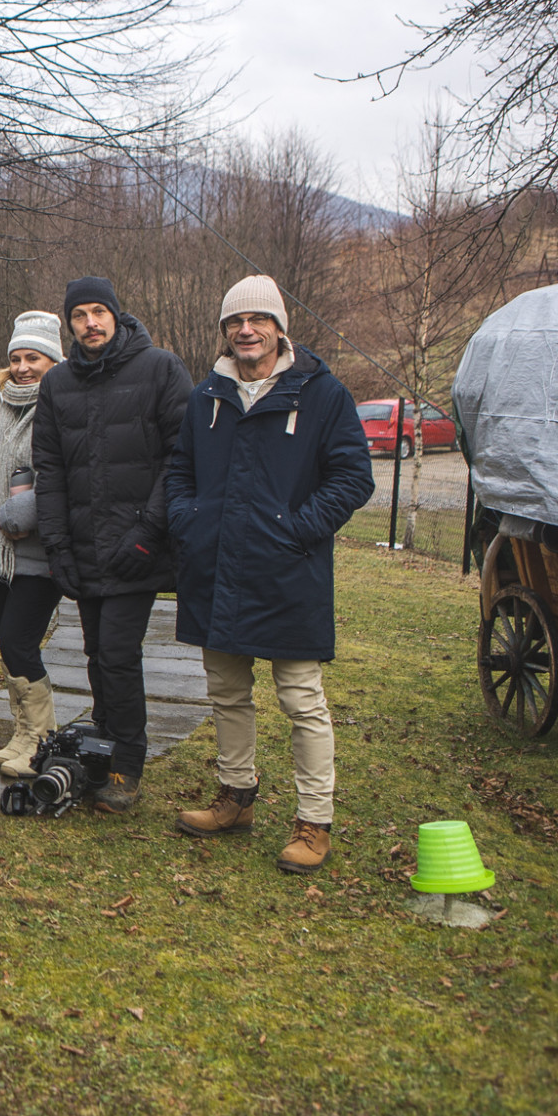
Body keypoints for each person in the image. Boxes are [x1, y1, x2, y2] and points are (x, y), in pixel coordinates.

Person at [167, 276, 374, 873]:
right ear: (226, 332)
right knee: (227, 692)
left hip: (288, 571)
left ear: (280, 327)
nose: (246, 330)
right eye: (235, 322)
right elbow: (179, 471)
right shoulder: (208, 393)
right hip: (216, 568)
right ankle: (236, 798)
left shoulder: (322, 393)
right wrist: (190, 521)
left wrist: (296, 529)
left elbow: (353, 478)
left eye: (258, 319)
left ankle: (314, 821)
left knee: (302, 700)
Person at [32, 276, 191, 813]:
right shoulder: (58, 384)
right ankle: (102, 746)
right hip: (82, 547)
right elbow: (49, 469)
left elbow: (182, 459)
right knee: (97, 654)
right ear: (70, 324)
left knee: (119, 654)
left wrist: (149, 532)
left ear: (117, 317)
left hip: (138, 546)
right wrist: (56, 546)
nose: (90, 323)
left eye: (99, 312)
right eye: (80, 315)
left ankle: (127, 766)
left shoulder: (160, 369)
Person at [0, 310, 66, 777]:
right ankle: (22, 732)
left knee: (21, 641)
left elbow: (68, 474)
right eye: (17, 358)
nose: (23, 367)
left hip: (40, 551)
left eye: (34, 358)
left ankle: (42, 737)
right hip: (1, 550)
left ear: (53, 361)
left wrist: (25, 511)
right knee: (9, 643)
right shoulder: (1, 404)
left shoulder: (63, 406)